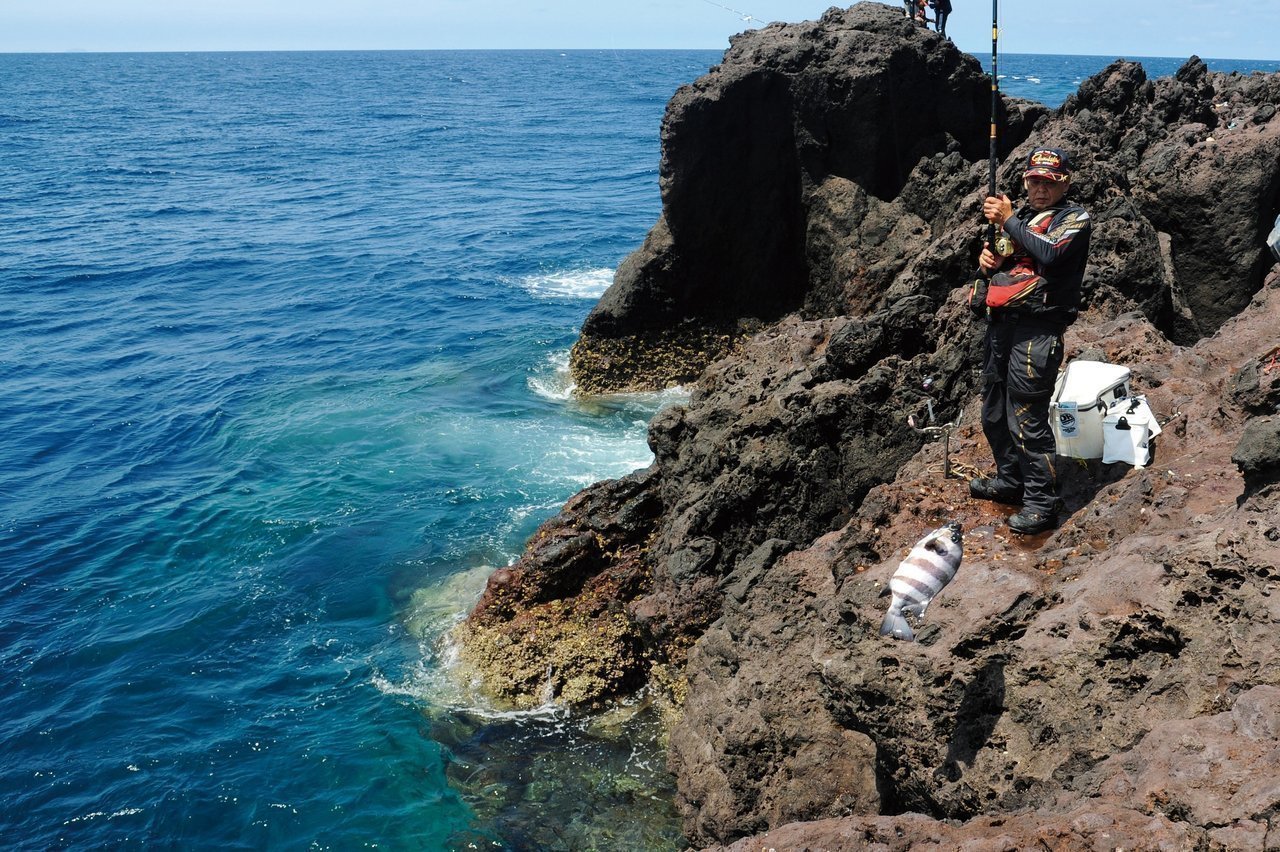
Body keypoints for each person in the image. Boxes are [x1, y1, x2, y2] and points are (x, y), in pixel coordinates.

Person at [968, 147, 1092, 535]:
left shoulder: (1074, 219)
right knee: (993, 412)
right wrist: (988, 264)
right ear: (1025, 182)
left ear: (1065, 184)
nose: (1040, 189)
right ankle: (1010, 481)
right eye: (1034, 181)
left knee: (1027, 419)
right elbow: (1006, 261)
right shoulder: (1021, 219)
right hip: (1002, 328)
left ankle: (1041, 505)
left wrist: (1007, 219)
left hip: (1037, 331)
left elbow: (1049, 253)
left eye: (1049, 182)